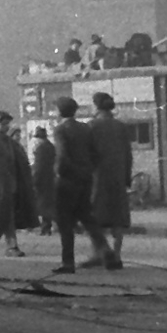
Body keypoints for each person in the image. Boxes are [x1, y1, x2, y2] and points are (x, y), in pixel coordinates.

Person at [51, 96, 120, 273]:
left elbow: (62, 156)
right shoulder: (85, 128)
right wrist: (87, 171)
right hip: (85, 179)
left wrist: (59, 172)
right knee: (88, 218)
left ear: (59, 111)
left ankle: (68, 262)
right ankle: (106, 251)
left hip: (67, 181)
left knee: (65, 222)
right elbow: (95, 154)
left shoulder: (60, 130)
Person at [0, 111, 36, 255]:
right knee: (5, 214)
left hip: (14, 184)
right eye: (3, 124)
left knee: (8, 214)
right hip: (0, 186)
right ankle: (10, 245)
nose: (6, 127)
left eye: (7, 124)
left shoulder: (12, 143)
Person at [88, 92, 133, 259]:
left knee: (96, 217)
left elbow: (87, 155)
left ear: (96, 107)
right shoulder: (120, 126)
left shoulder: (92, 126)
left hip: (98, 178)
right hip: (118, 177)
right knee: (117, 217)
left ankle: (98, 254)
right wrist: (126, 178)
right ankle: (117, 254)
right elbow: (128, 154)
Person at [30, 124, 57, 237]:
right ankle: (47, 227)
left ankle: (45, 228)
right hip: (51, 179)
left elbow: (38, 167)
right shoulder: (50, 147)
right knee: (47, 204)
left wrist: (34, 179)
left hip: (42, 181)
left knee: (43, 205)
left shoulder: (41, 149)